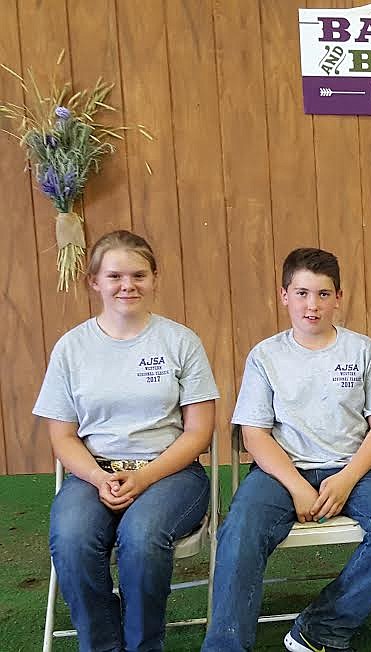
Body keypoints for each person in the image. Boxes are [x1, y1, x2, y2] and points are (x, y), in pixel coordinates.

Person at [203, 247, 371, 652]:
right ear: (284, 295)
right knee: (239, 530)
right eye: (302, 293)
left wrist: (346, 479)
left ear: (338, 298)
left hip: (351, 469)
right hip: (280, 471)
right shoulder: (266, 355)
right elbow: (254, 434)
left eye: (323, 294)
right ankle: (225, 646)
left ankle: (319, 628)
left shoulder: (362, 350)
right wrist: (296, 486)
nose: (312, 305)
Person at [34, 230, 219, 652]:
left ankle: (143, 646)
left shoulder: (180, 342)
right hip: (94, 471)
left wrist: (146, 476)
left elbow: (198, 432)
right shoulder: (71, 349)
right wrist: (100, 479)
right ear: (94, 281)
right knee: (74, 538)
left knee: (141, 537)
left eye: (139, 275)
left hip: (171, 472)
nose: (127, 285)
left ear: (155, 278)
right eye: (114, 275)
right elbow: (61, 436)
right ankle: (102, 645)